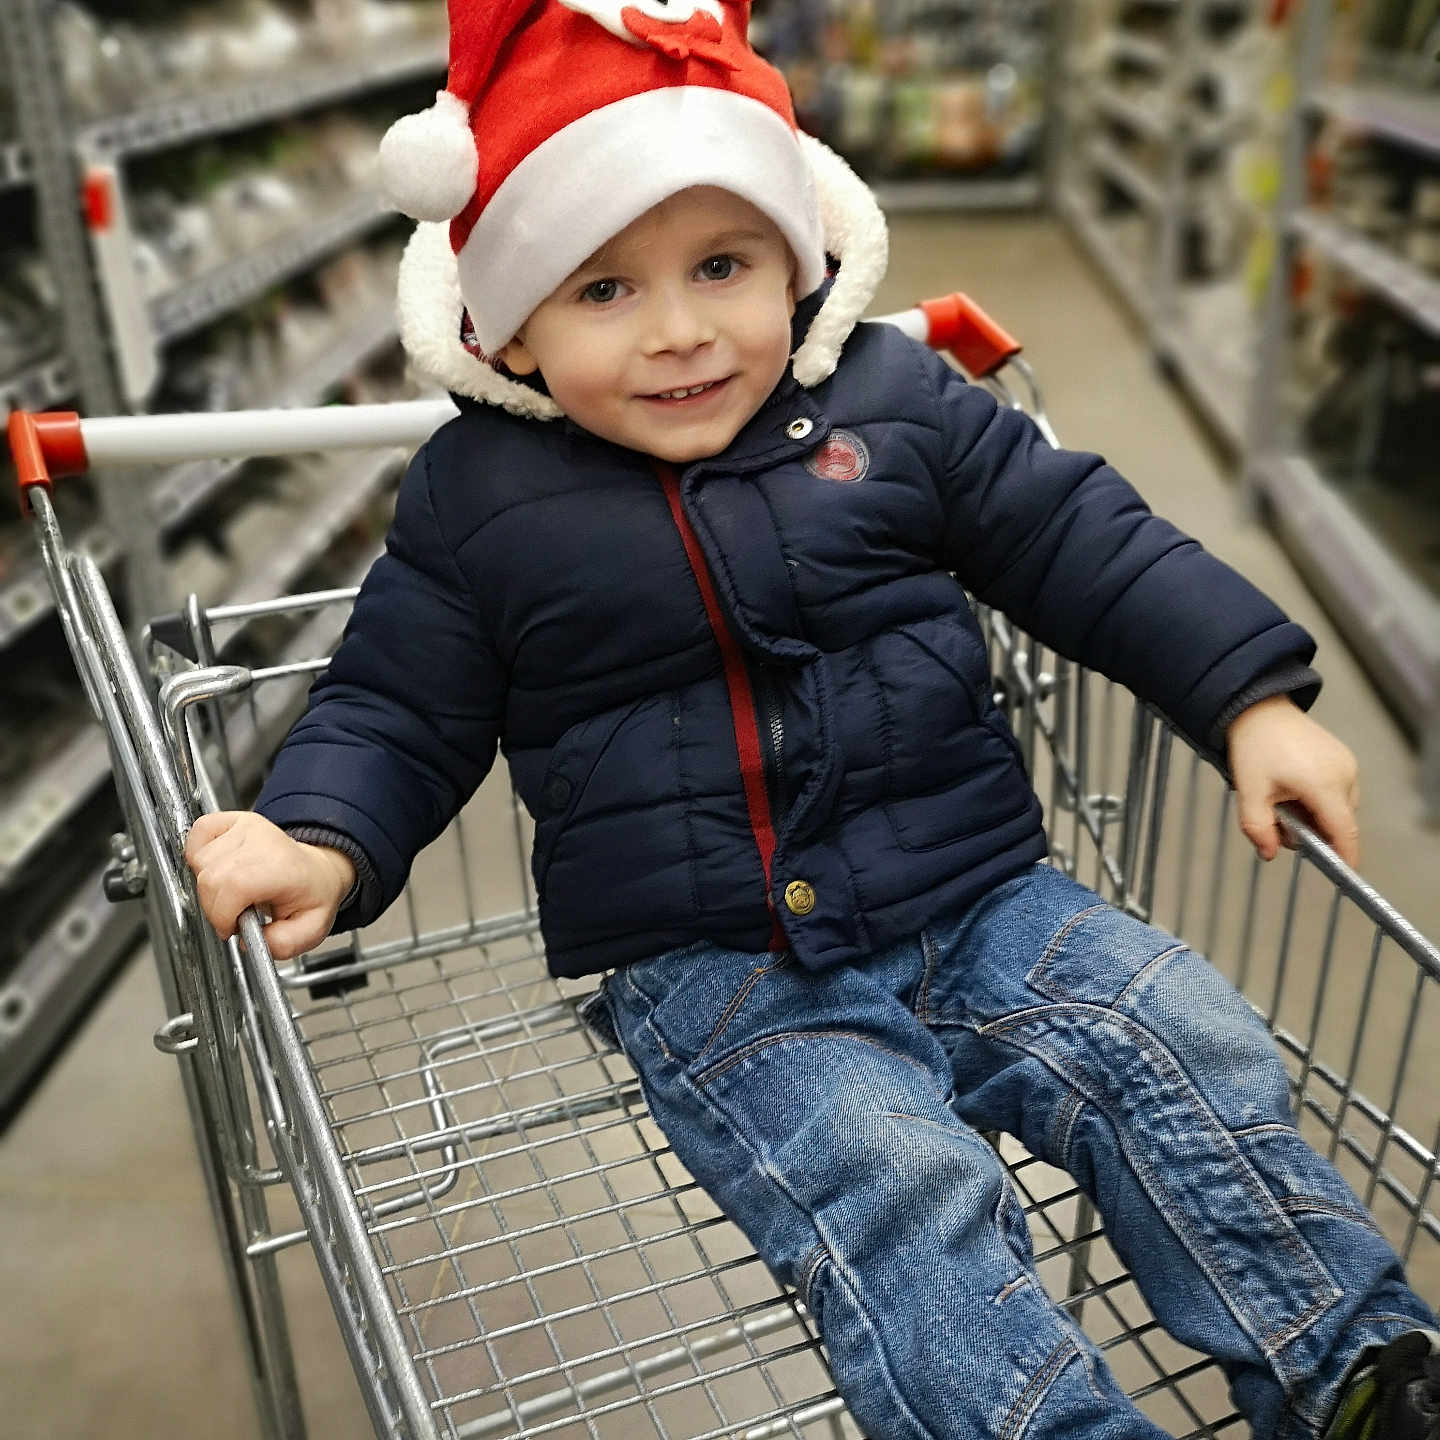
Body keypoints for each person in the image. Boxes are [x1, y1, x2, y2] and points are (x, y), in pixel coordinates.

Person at [184, 3, 1439, 1436]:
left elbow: (1082, 540)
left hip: (979, 890)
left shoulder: (897, 403)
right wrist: (319, 839)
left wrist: (1246, 694)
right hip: (723, 967)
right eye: (601, 292)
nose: (679, 333)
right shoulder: (480, 505)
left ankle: (1352, 1373)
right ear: (510, 330)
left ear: (802, 254)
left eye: (723, 265)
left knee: (1179, 1039)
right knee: (899, 1184)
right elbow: (398, 705)